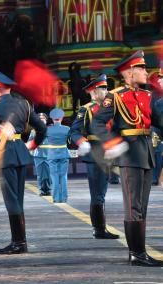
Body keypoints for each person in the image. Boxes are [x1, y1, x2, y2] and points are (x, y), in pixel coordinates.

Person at [91, 50, 163, 266]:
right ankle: (136, 254)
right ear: (129, 72)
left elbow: (159, 121)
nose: (145, 71)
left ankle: (140, 252)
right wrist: (113, 143)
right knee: (133, 206)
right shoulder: (115, 96)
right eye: (141, 68)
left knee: (142, 205)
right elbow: (97, 124)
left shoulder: (147, 95)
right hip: (129, 155)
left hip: (146, 152)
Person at [0, 70, 46, 254]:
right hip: (20, 152)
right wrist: (32, 144)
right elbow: (41, 128)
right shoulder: (24, 104)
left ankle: (18, 242)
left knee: (11, 200)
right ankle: (21, 241)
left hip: (5, 154)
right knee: (18, 199)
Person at [68, 74, 119, 239]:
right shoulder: (87, 109)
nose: (106, 90)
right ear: (93, 91)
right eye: (102, 88)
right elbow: (73, 132)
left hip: (110, 153)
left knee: (102, 192)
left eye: (106, 87)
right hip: (95, 153)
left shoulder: (111, 107)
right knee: (97, 193)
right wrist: (82, 142)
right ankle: (99, 229)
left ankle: (100, 228)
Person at [46, 108, 70, 203]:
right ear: (62, 118)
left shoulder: (48, 129)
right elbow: (70, 141)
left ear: (52, 118)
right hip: (64, 153)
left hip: (52, 154)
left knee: (54, 176)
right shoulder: (67, 129)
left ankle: (56, 198)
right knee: (63, 176)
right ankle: (64, 198)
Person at [28, 113, 51, 196]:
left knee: (49, 174)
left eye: (43, 118)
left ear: (46, 120)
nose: (41, 119)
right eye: (40, 118)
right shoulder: (34, 131)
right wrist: (31, 152)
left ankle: (48, 190)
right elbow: (30, 142)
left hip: (49, 154)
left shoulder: (51, 130)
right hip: (38, 155)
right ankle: (42, 190)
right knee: (40, 174)